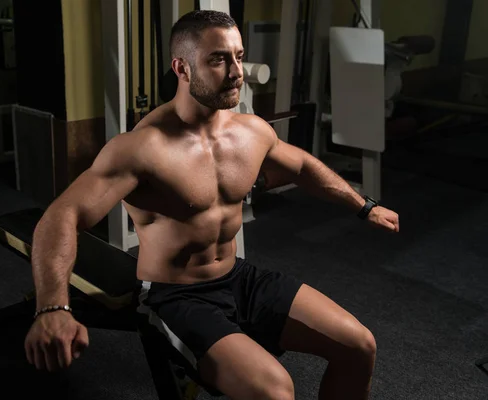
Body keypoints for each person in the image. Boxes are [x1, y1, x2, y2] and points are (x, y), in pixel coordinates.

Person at [24, 10, 400, 400]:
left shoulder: (251, 132)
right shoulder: (141, 148)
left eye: (238, 56)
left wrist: (363, 206)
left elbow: (302, 166)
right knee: (276, 392)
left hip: (238, 278)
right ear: (182, 68)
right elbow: (62, 215)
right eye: (219, 59)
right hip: (175, 296)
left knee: (359, 346)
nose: (236, 71)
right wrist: (53, 308)